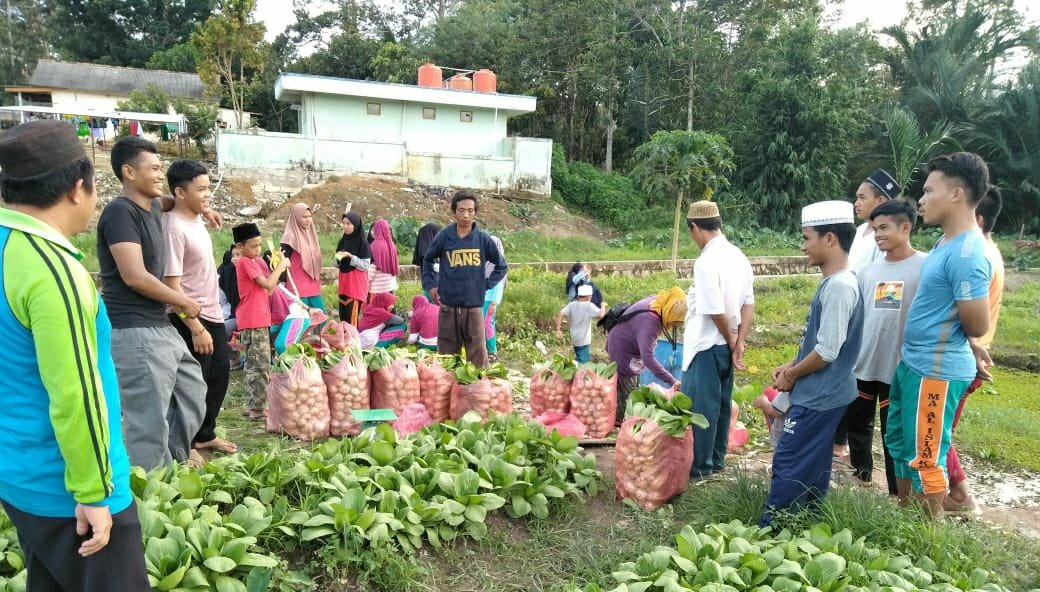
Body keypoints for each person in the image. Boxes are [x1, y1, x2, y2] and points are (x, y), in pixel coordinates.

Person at [0, 120, 150, 591]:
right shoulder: (52, 270)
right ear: (77, 187)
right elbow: (75, 393)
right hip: (68, 490)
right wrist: (92, 492)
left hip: (18, 475)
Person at [887, 153, 992, 518]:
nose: (922, 199)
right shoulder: (946, 243)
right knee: (900, 444)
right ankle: (906, 520)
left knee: (927, 456)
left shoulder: (967, 253)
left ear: (956, 194)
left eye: (930, 190)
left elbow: (977, 323)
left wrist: (973, 342)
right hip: (914, 364)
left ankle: (927, 541)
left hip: (936, 372)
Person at [96, 136, 206, 470]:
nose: (161, 174)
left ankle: (172, 463)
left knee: (192, 391)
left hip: (158, 325)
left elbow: (171, 202)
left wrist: (202, 206)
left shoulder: (154, 207)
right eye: (154, 168)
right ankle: (150, 492)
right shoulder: (120, 212)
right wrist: (183, 301)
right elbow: (134, 276)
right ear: (128, 172)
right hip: (134, 329)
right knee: (147, 419)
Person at [760, 201, 863, 526]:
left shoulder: (840, 287)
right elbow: (821, 341)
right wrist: (791, 362)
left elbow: (828, 351)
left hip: (818, 395)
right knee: (813, 463)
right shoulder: (838, 283)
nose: (803, 246)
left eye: (807, 238)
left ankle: (772, 528)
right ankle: (806, 520)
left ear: (830, 239)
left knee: (789, 461)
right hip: (826, 392)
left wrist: (791, 374)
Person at [841, 200, 925, 492]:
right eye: (875, 229)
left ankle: (895, 489)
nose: (878, 234)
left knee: (894, 431)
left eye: (884, 228)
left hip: (900, 364)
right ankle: (861, 474)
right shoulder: (867, 272)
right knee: (858, 423)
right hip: (865, 361)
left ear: (906, 227)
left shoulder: (924, 267)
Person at [162, 159, 237, 456]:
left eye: (208, 189)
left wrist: (204, 208)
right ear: (181, 193)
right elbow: (171, 285)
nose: (208, 195)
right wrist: (194, 327)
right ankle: (187, 442)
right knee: (192, 385)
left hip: (212, 312)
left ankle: (205, 434)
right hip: (190, 317)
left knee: (219, 375)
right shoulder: (174, 229)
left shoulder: (194, 218)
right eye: (201, 190)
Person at [680, 201, 756, 480]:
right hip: (726, 345)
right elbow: (748, 305)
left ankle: (700, 469)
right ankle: (716, 460)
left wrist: (732, 337)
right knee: (721, 404)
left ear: (695, 228)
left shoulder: (706, 262)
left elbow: (713, 310)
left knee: (702, 407)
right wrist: (738, 341)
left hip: (706, 345)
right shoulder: (738, 256)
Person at [944, 186, 1004, 514]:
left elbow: (969, 320)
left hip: (965, 355)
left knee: (937, 429)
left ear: (976, 217)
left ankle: (961, 496)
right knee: (939, 428)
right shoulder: (989, 251)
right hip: (971, 353)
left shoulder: (975, 257)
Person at [836, 168, 901, 458]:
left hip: (870, 322)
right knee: (853, 392)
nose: (856, 203)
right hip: (851, 313)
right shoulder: (862, 232)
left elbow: (884, 295)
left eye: (862, 197)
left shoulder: (883, 241)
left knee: (869, 396)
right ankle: (849, 452)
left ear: (882, 199)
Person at [421, 190, 508, 367]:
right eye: (461, 210)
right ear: (454, 212)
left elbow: (502, 266)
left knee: (477, 354)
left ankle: (477, 390)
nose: (466, 215)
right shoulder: (445, 236)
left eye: (470, 210)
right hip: (448, 306)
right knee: (447, 355)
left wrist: (484, 285)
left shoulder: (482, 239)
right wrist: (430, 286)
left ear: (475, 212)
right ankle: (447, 390)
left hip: (474, 306)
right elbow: (427, 259)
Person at [606, 287, 687, 424]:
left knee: (623, 388)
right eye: (673, 322)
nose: (673, 326)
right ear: (669, 312)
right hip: (622, 349)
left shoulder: (660, 303)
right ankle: (622, 425)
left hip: (625, 341)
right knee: (628, 393)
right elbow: (648, 358)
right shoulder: (650, 321)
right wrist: (672, 380)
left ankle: (618, 419)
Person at [234, 223, 290, 420]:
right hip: (253, 319)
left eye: (259, 245)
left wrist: (275, 267)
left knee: (258, 363)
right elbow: (267, 283)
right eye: (253, 246)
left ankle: (255, 405)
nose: (257, 250)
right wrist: (281, 268)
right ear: (239, 247)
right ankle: (258, 409)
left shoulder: (256, 262)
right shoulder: (244, 261)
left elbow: (269, 290)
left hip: (260, 317)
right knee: (259, 364)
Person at [279, 203, 325, 313]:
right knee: (302, 318)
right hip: (297, 285)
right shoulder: (289, 237)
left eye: (310, 216)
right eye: (304, 217)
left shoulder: (311, 234)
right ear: (296, 218)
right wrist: (282, 281)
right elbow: (282, 262)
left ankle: (323, 332)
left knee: (321, 316)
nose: (308, 220)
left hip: (313, 283)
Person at [335, 211, 371, 326]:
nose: (345, 226)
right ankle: (344, 341)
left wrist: (351, 257)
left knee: (352, 318)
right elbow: (336, 263)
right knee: (343, 316)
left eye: (348, 224)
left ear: (355, 225)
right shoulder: (342, 241)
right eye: (343, 223)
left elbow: (365, 265)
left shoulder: (362, 242)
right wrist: (338, 258)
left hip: (355, 285)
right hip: (344, 283)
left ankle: (353, 343)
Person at [555, 284, 606, 363]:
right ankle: (571, 367)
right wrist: (603, 306)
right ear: (588, 296)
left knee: (579, 355)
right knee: (584, 362)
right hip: (583, 339)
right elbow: (601, 315)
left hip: (574, 337)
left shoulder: (571, 305)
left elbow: (561, 313)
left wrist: (558, 330)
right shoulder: (589, 306)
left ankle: (573, 364)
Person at [483, 235, 506, 360]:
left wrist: (494, 303)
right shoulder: (485, 262)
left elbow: (499, 284)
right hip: (482, 298)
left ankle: (492, 351)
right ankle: (484, 349)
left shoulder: (498, 265)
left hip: (490, 299)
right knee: (481, 323)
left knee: (488, 323)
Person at [368, 217, 399, 296]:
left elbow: (373, 267)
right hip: (390, 284)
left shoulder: (375, 245)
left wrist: (367, 281)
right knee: (390, 305)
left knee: (378, 307)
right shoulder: (392, 245)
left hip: (378, 287)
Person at [218, 245, 241, 335]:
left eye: (238, 255)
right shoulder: (228, 272)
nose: (234, 258)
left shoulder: (253, 274)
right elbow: (222, 297)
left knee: (223, 329)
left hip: (249, 317)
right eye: (233, 255)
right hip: (230, 310)